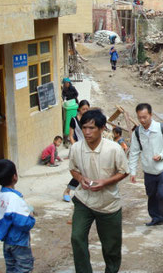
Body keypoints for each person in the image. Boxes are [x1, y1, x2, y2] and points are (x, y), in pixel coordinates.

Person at [69, 109, 129, 273]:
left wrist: (105, 182)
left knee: (111, 247)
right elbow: (73, 169)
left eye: (92, 128)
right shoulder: (76, 148)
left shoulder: (114, 149)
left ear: (102, 128)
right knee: (77, 237)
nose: (87, 132)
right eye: (84, 128)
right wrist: (81, 179)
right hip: (84, 200)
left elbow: (124, 171)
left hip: (108, 204)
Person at [129, 103, 163, 229]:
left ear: (151, 114)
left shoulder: (162, 128)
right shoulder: (137, 132)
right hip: (148, 170)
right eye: (140, 118)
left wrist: (161, 155)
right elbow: (133, 152)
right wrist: (132, 171)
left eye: (145, 117)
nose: (142, 120)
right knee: (152, 195)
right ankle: (156, 217)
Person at [0, 159, 36, 273]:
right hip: (19, 242)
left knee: (11, 267)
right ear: (15, 177)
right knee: (24, 268)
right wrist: (31, 216)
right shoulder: (15, 199)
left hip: (7, 241)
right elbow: (24, 223)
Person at [63, 100, 91, 202]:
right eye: (83, 109)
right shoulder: (74, 120)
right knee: (79, 171)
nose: (85, 111)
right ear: (79, 109)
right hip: (79, 148)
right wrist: (76, 146)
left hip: (90, 148)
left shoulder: (90, 120)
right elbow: (71, 135)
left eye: (87, 109)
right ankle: (67, 190)